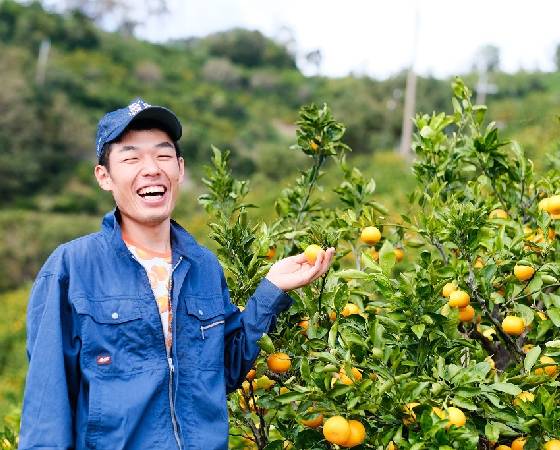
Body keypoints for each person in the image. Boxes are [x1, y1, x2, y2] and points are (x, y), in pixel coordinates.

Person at [18, 98, 335, 450]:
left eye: (163, 155)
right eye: (131, 157)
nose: (151, 168)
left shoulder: (202, 266)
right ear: (104, 176)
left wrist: (272, 289)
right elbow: (48, 403)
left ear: (180, 169)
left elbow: (224, 369)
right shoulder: (71, 268)